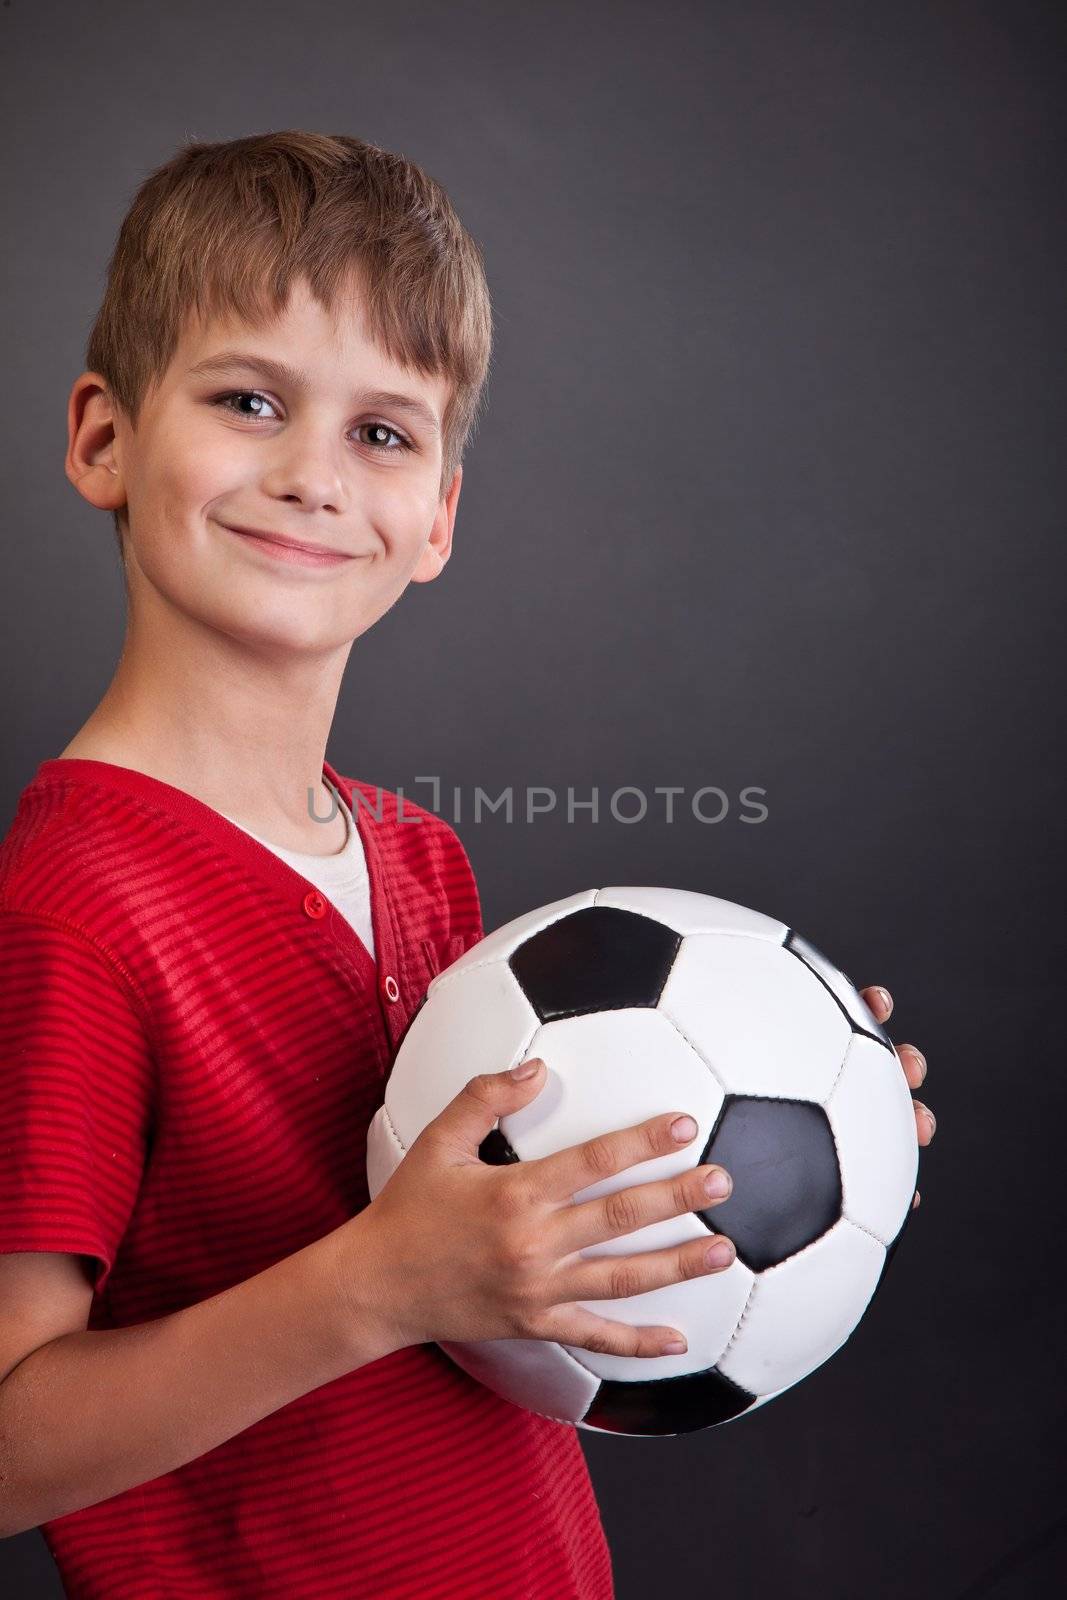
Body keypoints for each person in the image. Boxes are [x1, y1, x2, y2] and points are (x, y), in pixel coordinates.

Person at [0, 129, 936, 1599]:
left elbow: (494, 1264)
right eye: (250, 400)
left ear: (436, 515)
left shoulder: (423, 857)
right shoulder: (71, 910)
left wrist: (776, 1137)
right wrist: (374, 1284)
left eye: (383, 432)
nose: (313, 474)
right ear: (103, 438)